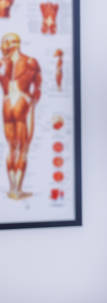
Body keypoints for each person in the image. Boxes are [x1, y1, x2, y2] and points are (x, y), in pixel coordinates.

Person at [0, 33, 42, 200]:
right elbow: (37, 88)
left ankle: (12, 189)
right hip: (21, 102)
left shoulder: (2, 63)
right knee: (23, 149)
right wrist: (31, 101)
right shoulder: (30, 61)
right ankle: (17, 190)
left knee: (12, 148)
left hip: (7, 103)